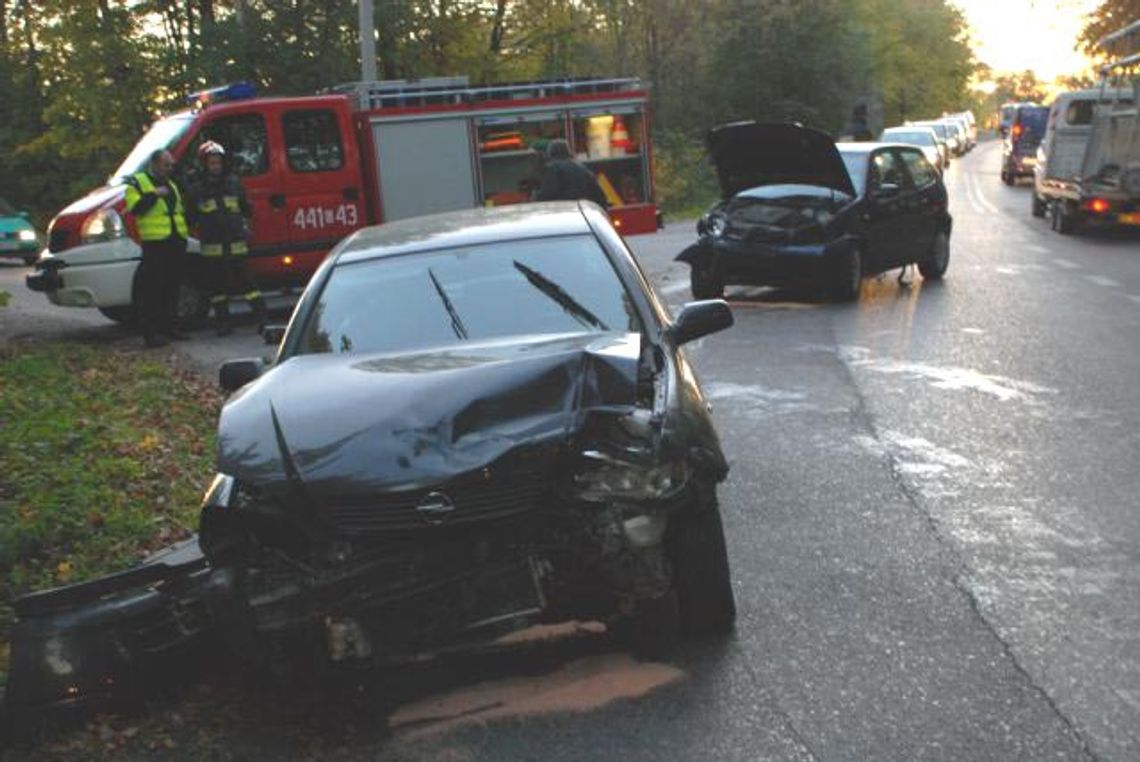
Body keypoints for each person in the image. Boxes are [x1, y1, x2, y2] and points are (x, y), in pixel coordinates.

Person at [185, 141, 266, 336]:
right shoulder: (196, 190)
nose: (215, 166)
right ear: (204, 164)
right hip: (213, 247)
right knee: (217, 288)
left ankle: (263, 319)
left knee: (248, 284)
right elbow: (189, 217)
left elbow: (246, 209)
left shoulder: (233, 183)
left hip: (236, 243)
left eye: (218, 162)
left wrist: (244, 223)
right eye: (211, 163)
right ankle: (224, 323)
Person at [124, 149, 189, 347]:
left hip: (175, 240)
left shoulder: (172, 183)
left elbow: (180, 209)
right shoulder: (137, 182)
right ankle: (151, 333)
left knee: (172, 286)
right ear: (154, 164)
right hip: (155, 242)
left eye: (171, 165)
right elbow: (135, 209)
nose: (170, 168)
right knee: (152, 289)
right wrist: (153, 195)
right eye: (166, 164)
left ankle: (169, 328)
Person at [536, 139, 609, 208]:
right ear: (568, 151)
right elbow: (598, 195)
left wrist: (535, 197)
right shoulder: (581, 168)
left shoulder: (552, 168)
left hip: (564, 210)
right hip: (581, 210)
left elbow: (547, 194)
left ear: (550, 153)